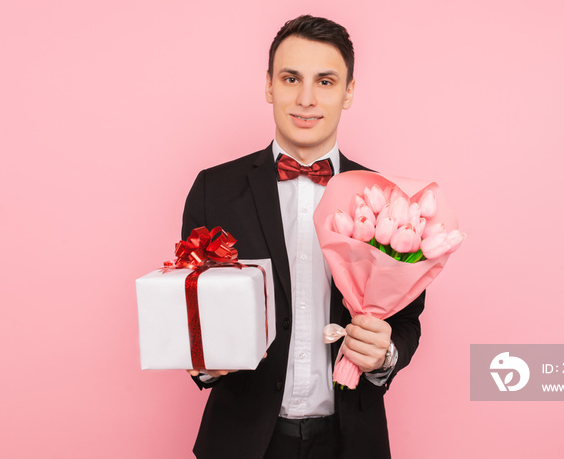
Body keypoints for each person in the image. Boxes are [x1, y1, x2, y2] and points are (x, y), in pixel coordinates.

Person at [181, 15, 425, 459]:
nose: (306, 99)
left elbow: (407, 321)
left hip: (352, 440)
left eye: (326, 81)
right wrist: (206, 365)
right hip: (242, 440)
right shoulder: (212, 189)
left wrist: (385, 354)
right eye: (291, 78)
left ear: (348, 91)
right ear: (269, 86)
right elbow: (191, 307)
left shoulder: (387, 199)